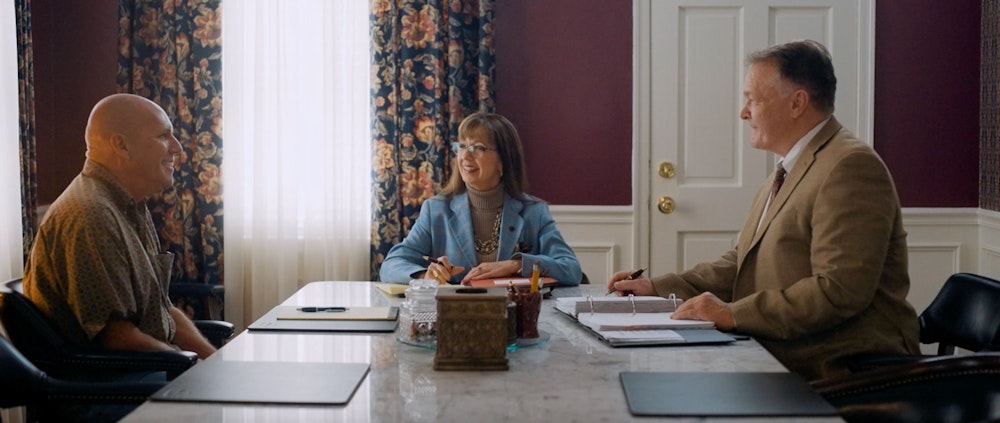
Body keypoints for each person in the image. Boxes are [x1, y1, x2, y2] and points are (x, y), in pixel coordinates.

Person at [607, 40, 919, 381]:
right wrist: (658, 287)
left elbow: (838, 290)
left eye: (752, 99)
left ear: (797, 102)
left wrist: (733, 314)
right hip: (785, 350)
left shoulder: (850, 166)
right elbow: (741, 262)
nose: (743, 113)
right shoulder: (789, 168)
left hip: (841, 366)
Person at [23, 93, 216, 361]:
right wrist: (192, 369)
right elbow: (117, 338)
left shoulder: (129, 204)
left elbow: (162, 311)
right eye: (163, 136)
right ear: (122, 146)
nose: (177, 148)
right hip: (118, 390)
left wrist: (217, 362)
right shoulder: (91, 216)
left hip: (154, 370)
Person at [380, 112, 582, 286]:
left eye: (478, 148)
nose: (465, 157)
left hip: (515, 318)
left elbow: (571, 269)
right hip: (453, 319)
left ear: (504, 160)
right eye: (462, 146)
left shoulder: (533, 211)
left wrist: (517, 265)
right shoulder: (436, 209)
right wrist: (425, 275)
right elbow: (391, 264)